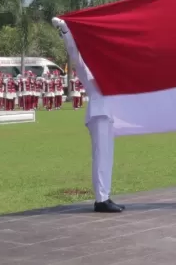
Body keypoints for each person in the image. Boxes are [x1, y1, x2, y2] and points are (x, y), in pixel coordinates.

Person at [52, 17, 124, 213]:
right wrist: (66, 31)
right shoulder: (87, 69)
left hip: (108, 114)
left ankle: (105, 195)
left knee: (107, 156)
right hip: (98, 114)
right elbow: (74, 54)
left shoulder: (108, 69)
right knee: (101, 156)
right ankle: (101, 199)